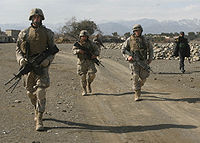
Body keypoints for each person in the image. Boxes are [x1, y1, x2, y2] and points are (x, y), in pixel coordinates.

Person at [16, 8, 58, 131]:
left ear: (42, 18)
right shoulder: (23, 33)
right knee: (29, 93)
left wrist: (48, 60)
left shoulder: (48, 33)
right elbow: (18, 50)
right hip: (28, 65)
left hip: (42, 66)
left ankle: (39, 118)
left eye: (39, 17)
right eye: (34, 17)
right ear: (31, 18)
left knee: (41, 91)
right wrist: (21, 60)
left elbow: (53, 50)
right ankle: (36, 108)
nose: (36, 19)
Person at [121, 24, 153, 101]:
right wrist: (128, 57)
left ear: (141, 31)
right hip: (134, 62)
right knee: (135, 77)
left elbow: (151, 49)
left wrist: (150, 58)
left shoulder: (145, 39)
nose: (137, 32)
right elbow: (123, 50)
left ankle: (139, 86)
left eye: (138, 30)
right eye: (135, 31)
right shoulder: (129, 39)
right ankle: (137, 93)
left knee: (144, 78)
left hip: (143, 61)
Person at [72, 30, 100, 96]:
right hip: (81, 62)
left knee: (92, 74)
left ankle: (89, 83)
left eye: (85, 36)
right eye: (82, 36)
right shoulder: (77, 44)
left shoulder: (91, 43)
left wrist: (95, 55)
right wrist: (78, 51)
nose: (84, 38)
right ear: (80, 37)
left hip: (90, 61)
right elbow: (73, 51)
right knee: (82, 77)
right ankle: (84, 90)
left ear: (87, 37)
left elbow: (97, 50)